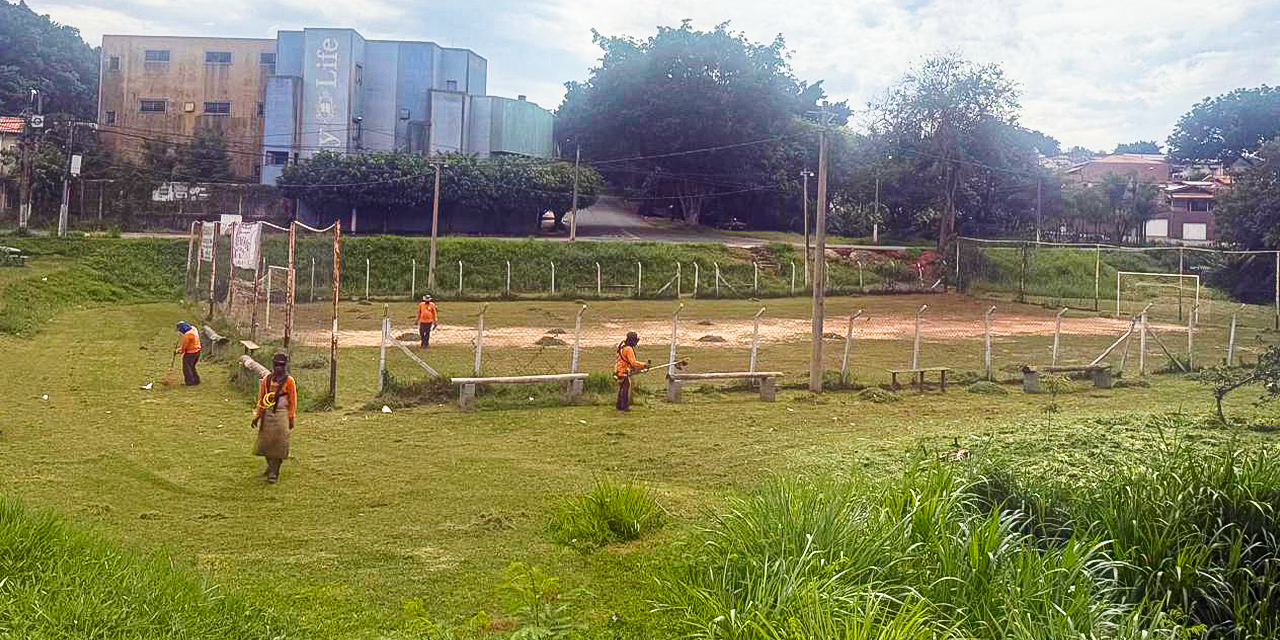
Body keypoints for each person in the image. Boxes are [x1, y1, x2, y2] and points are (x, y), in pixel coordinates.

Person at [251, 353, 296, 483]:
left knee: (279, 444)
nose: (278, 368)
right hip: (268, 414)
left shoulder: (289, 381)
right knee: (266, 443)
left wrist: (291, 418)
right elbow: (261, 399)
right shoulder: (267, 380)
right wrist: (257, 416)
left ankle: (274, 472)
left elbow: (292, 401)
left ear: (285, 366)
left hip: (282, 414)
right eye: (276, 365)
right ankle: (270, 466)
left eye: (281, 366)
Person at [614, 331, 646, 411]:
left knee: (622, 387)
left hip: (617, 369)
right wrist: (644, 365)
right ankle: (624, 406)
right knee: (625, 387)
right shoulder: (629, 349)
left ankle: (619, 405)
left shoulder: (622, 346)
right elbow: (633, 363)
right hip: (623, 371)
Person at [174, 321, 201, 385]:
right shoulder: (194, 329)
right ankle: (196, 380)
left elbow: (184, 348)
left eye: (180, 330)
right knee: (192, 367)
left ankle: (190, 382)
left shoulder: (188, 335)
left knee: (186, 368)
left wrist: (177, 350)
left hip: (191, 353)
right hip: (198, 352)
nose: (180, 332)